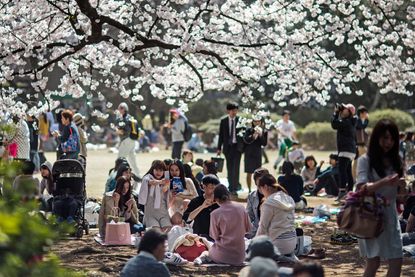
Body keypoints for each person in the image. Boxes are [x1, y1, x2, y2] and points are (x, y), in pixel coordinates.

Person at [355, 119, 405, 277]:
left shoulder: (396, 159)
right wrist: (384, 181)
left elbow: (401, 199)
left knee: (397, 260)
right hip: (371, 215)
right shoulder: (365, 160)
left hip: (391, 216)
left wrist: (403, 188)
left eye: (392, 138)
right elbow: (361, 188)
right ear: (376, 138)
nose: (388, 142)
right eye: (385, 138)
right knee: (374, 262)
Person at [197, 184, 250, 265]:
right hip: (240, 256)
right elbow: (248, 229)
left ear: (216, 199)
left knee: (206, 251)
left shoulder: (215, 214)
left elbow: (214, 236)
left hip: (222, 255)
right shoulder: (241, 208)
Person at [256, 174, 296, 256]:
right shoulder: (289, 198)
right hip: (292, 244)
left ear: (266, 187)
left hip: (277, 245)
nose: (260, 192)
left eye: (260, 189)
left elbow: (262, 227)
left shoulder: (269, 203)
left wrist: (253, 244)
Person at [331, 103, 357, 200]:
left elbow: (334, 124)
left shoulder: (346, 122)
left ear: (349, 112)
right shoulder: (351, 121)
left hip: (345, 150)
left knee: (342, 170)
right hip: (350, 150)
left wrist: (335, 113)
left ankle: (342, 191)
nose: (342, 110)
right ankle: (350, 192)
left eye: (345, 109)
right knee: (348, 171)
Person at [217, 102, 243, 196]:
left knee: (236, 168)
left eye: (236, 110)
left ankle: (234, 188)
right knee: (229, 168)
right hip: (227, 148)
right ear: (228, 111)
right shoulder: (223, 121)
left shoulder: (240, 120)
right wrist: (219, 148)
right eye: (232, 110)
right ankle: (231, 187)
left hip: (237, 148)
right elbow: (221, 135)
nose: (234, 112)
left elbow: (244, 135)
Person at [182, 174, 220, 239]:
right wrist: (202, 206)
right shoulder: (196, 201)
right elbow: (186, 219)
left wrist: (220, 204)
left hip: (217, 237)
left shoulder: (221, 202)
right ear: (204, 187)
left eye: (216, 188)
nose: (214, 191)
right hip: (200, 237)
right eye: (211, 188)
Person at [138, 160, 171, 232]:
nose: (158, 172)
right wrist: (161, 182)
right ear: (152, 170)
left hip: (163, 213)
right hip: (151, 214)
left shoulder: (166, 181)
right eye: (156, 170)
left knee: (169, 232)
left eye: (161, 170)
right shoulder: (147, 178)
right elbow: (152, 182)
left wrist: (166, 183)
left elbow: (165, 191)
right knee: (156, 233)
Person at [168, 160, 198, 224]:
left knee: (186, 201)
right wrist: (173, 196)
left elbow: (196, 197)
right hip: (175, 211)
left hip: (188, 210)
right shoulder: (168, 183)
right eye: (172, 170)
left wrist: (181, 196)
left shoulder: (187, 181)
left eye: (177, 170)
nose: (174, 172)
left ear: (180, 170)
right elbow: (168, 205)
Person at [243, 116, 268, 193]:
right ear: (252, 122)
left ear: (261, 122)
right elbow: (246, 140)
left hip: (257, 153)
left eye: (258, 121)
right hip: (249, 153)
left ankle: (259, 190)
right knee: (249, 172)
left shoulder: (264, 131)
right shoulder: (248, 130)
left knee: (259, 173)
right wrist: (253, 135)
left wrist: (260, 135)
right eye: (255, 121)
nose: (257, 123)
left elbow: (264, 143)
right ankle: (249, 190)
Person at [115, 103, 140, 177]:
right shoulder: (130, 118)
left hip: (126, 140)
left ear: (124, 109)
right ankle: (138, 176)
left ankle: (118, 176)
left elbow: (125, 131)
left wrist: (118, 130)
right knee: (132, 160)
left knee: (120, 159)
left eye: (121, 108)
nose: (119, 110)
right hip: (132, 140)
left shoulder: (124, 119)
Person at [246, 167, 269, 238]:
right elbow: (249, 216)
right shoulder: (251, 196)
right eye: (259, 180)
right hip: (255, 230)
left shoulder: (273, 194)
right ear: (255, 181)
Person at [352, 105, 369, 179]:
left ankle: (355, 178)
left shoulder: (360, 120)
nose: (366, 114)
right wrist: (367, 120)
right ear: (361, 113)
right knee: (359, 162)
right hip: (358, 145)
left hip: (361, 145)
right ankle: (354, 178)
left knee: (357, 162)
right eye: (365, 112)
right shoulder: (357, 120)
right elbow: (362, 126)